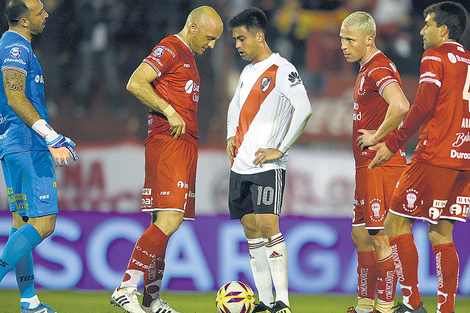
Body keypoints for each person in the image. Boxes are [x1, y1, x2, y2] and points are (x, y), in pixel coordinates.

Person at [110, 6, 223, 313]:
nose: (211, 45)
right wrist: (169, 110)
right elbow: (136, 82)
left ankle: (150, 299)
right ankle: (126, 288)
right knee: (170, 221)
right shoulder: (171, 47)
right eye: (210, 38)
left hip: (183, 144)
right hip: (169, 141)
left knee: (162, 224)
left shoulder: (188, 57)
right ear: (193, 26)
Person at [367, 2, 469, 313]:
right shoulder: (468, 61)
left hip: (434, 154)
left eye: (428, 24)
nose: (422, 31)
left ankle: (411, 304)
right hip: (465, 158)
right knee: (441, 231)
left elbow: (423, 104)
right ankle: (446, 310)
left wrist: (393, 142)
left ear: (444, 30)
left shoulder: (435, 55)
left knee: (395, 224)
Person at [226, 8, 312, 313]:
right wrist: (228, 136)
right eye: (235, 39)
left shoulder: (282, 69)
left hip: (267, 165)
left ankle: (283, 302)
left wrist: (282, 148)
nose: (237, 44)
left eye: (241, 38)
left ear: (259, 35)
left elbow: (304, 109)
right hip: (241, 165)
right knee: (251, 230)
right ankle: (263, 301)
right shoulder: (247, 71)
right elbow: (235, 108)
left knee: (267, 225)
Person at [0, 0, 79, 312]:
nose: (46, 15)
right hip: (26, 142)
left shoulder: (14, 45)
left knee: (23, 224)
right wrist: (51, 136)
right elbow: (15, 95)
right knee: (44, 223)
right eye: (39, 12)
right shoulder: (15, 47)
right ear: (22, 20)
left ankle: (29, 300)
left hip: (14, 143)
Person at [339, 11, 410, 313]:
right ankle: (366, 306)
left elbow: (402, 105)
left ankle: (384, 308)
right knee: (360, 235)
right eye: (342, 38)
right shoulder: (366, 67)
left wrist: (377, 135)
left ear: (369, 39)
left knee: (381, 238)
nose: (343, 45)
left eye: (350, 39)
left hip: (380, 165)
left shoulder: (377, 68)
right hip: (366, 166)